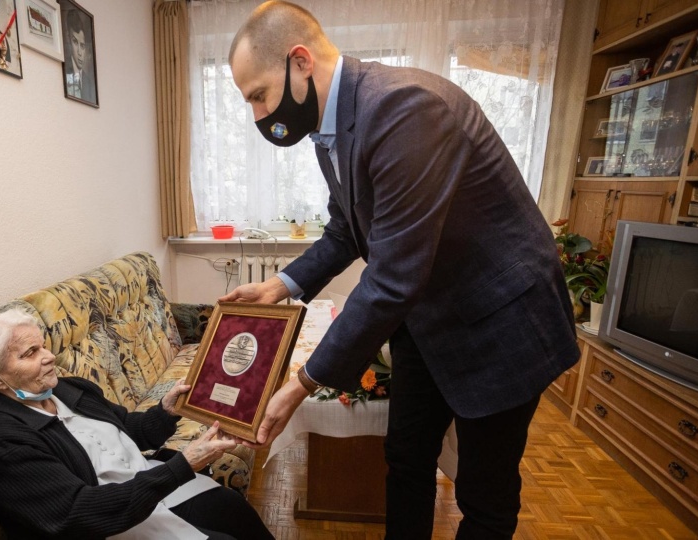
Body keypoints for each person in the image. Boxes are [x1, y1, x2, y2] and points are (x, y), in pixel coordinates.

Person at [222, 2, 579, 538]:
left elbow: (391, 278)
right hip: (429, 317)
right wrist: (280, 285)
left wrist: (303, 382)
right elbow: (347, 231)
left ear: (300, 62)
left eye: (258, 95)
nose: (257, 115)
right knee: (406, 458)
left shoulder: (404, 108)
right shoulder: (333, 125)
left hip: (501, 321)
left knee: (484, 492)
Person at [0, 308, 274, 539]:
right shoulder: (4, 443)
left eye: (43, 345)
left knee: (233, 508)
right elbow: (79, 513)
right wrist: (184, 464)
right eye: (30, 353)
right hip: (110, 521)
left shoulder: (68, 389)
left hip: (149, 485)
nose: (48, 356)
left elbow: (130, 428)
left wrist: (167, 410)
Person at [64, 9, 97, 103]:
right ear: (68, 38)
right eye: (75, 42)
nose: (79, 52)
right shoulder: (66, 73)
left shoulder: (89, 82)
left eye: (82, 46)